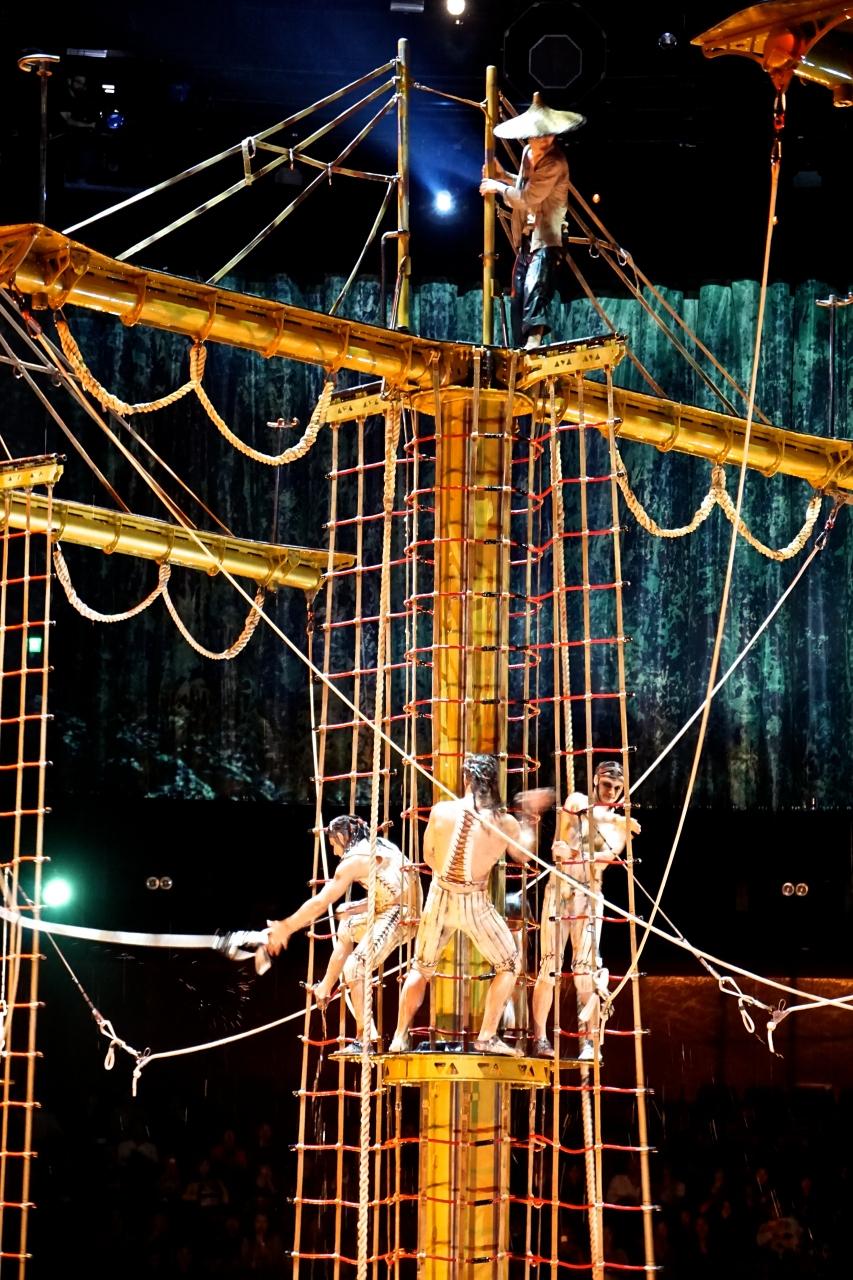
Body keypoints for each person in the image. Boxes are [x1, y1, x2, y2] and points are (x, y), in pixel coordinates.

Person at [389, 753, 532, 1057]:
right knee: (509, 964)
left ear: (466, 778)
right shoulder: (504, 822)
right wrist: (531, 815)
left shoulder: (441, 811)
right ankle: (487, 1036)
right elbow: (524, 856)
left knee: (421, 968)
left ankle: (399, 1036)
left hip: (439, 894)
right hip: (473, 900)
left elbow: (428, 856)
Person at [266, 816, 420, 1054]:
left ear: (340, 836)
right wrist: (356, 907)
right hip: (395, 908)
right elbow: (394, 890)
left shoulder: (354, 860)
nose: (334, 852)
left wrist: (285, 927)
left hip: (402, 915)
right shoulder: (378, 845)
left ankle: (364, 1039)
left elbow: (320, 902)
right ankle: (325, 988)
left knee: (355, 967)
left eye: (333, 845)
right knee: (347, 927)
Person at [528, 760, 640, 1061]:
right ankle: (539, 1039)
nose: (611, 792)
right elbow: (563, 840)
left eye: (617, 788)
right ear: (595, 781)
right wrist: (616, 821)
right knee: (549, 968)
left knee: (585, 972)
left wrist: (617, 824)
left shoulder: (620, 828)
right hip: (559, 891)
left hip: (589, 896)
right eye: (607, 785)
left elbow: (602, 859)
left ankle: (589, 1043)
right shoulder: (577, 801)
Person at [479, 92, 585, 350]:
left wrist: (497, 186)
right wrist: (504, 177)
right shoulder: (528, 153)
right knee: (517, 294)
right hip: (527, 236)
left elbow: (528, 197)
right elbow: (525, 187)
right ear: (530, 136)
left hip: (547, 238)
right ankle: (519, 347)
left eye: (549, 135)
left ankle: (534, 341)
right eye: (540, 135)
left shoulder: (555, 162)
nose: (546, 140)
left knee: (535, 287)